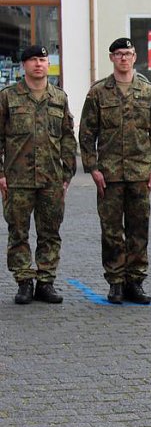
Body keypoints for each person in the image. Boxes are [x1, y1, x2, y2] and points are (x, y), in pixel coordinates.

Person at [79, 38, 151, 304]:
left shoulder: (147, 91)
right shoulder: (98, 93)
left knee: (139, 229)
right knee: (112, 231)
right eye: (119, 54)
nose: (124, 59)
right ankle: (115, 282)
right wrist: (92, 167)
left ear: (135, 56)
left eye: (128, 53)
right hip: (110, 174)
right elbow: (86, 133)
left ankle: (135, 282)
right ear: (111, 58)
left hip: (140, 172)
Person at [0, 45, 77, 304]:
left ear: (48, 64)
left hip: (51, 179)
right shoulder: (8, 97)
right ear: (24, 65)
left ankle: (46, 281)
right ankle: (24, 281)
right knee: (18, 232)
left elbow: (67, 136)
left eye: (42, 59)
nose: (38, 64)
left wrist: (67, 171)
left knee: (50, 232)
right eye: (32, 60)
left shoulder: (59, 97)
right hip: (17, 178)